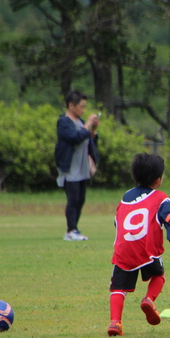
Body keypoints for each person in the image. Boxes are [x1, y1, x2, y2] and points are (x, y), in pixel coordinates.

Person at [107, 152, 170, 336]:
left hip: (123, 251)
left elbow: (117, 221)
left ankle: (115, 322)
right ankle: (149, 299)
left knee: (118, 288)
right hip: (147, 250)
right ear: (158, 179)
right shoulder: (161, 198)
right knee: (159, 276)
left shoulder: (125, 197)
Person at [55, 90, 99, 241]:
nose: (83, 110)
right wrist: (87, 125)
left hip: (82, 168)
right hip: (70, 168)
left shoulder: (80, 122)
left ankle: (74, 229)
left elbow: (90, 141)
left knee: (80, 199)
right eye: (81, 106)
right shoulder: (64, 122)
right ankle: (70, 231)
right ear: (71, 106)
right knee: (73, 199)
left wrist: (93, 129)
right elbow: (75, 137)